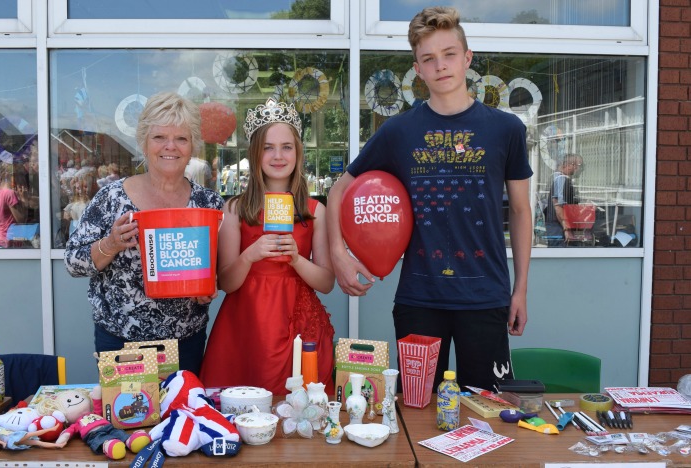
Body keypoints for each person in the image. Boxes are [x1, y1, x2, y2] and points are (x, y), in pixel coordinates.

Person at [326, 6, 533, 392]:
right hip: (420, 298)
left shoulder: (506, 129)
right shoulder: (399, 131)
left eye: (449, 54)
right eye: (428, 59)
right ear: (417, 70)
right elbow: (339, 189)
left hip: (485, 295)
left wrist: (520, 289)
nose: (441, 66)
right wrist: (339, 254)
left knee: (484, 412)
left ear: (467, 58)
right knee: (417, 411)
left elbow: (521, 211)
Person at [64, 91, 224, 374]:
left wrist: (209, 286)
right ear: (144, 142)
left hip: (185, 344)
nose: (170, 147)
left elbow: (218, 270)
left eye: (181, 138)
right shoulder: (112, 198)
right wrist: (111, 244)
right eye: (159, 137)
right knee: (128, 417)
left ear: (192, 146)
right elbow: (73, 262)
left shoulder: (207, 204)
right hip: (121, 343)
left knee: (181, 417)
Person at [200, 99, 335, 395]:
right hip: (245, 326)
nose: (278, 155)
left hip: (295, 325)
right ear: (255, 153)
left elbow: (326, 283)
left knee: (297, 408)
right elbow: (226, 283)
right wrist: (250, 255)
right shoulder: (235, 208)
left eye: (286, 147)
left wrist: (297, 259)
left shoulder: (315, 210)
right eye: (268, 147)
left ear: (298, 153)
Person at [544, 153, 583, 246]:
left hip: (555, 225)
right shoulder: (561, 179)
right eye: (579, 166)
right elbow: (557, 205)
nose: (580, 170)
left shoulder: (555, 177)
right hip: (558, 227)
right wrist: (567, 229)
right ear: (570, 165)